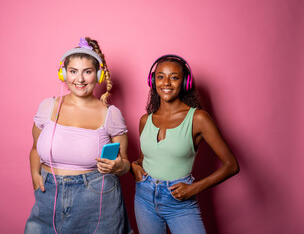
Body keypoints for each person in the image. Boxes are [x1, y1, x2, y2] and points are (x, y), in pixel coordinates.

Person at [25, 37, 132, 234]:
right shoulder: (48, 107)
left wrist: (119, 166)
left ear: (98, 75)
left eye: (87, 72)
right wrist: (35, 175)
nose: (79, 79)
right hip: (49, 193)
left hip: (96, 196)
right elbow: (34, 148)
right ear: (63, 74)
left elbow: (125, 163)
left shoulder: (111, 114)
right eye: (73, 71)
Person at [131, 55, 239, 234]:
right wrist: (134, 166)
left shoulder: (198, 118)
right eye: (160, 76)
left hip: (179, 200)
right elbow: (145, 158)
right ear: (152, 81)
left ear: (185, 82)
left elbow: (231, 165)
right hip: (144, 197)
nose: (166, 83)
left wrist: (194, 188)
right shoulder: (145, 120)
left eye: (174, 77)